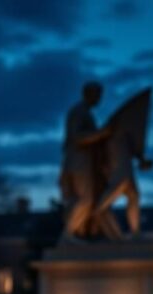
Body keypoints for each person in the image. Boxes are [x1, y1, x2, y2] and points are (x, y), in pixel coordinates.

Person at [59, 82, 110, 242]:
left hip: (80, 162)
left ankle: (71, 234)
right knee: (85, 199)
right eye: (97, 94)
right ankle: (67, 234)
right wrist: (100, 134)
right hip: (78, 162)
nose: (99, 98)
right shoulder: (79, 112)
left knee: (80, 199)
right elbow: (77, 138)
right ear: (88, 94)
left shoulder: (84, 112)